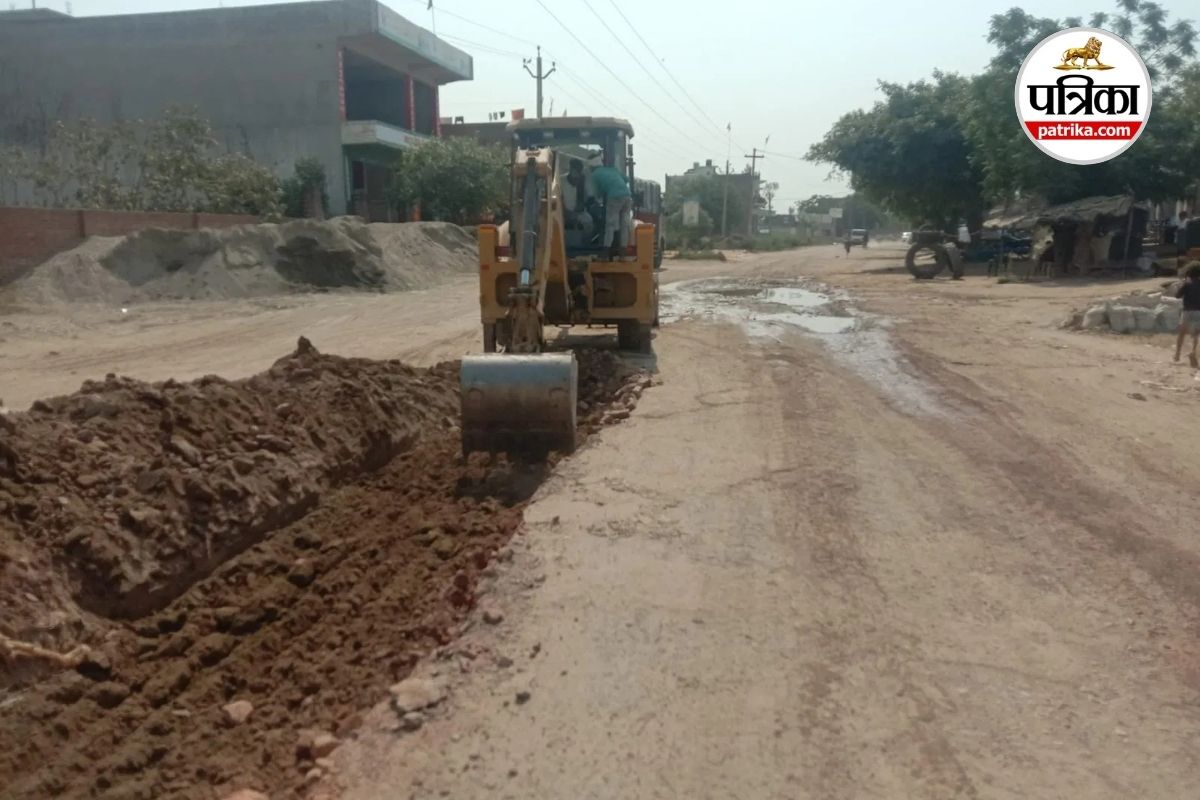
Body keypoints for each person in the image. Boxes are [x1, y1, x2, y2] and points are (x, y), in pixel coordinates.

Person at [588, 151, 632, 255]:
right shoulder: (613, 170)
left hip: (614, 197)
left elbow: (597, 192)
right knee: (624, 223)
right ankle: (623, 249)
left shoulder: (595, 174)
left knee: (610, 224)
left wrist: (600, 195)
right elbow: (626, 179)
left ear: (591, 166)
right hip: (627, 196)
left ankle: (606, 249)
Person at [1175, 263, 1200, 368]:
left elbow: (1177, 296)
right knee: (1195, 335)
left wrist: (1183, 284)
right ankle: (1193, 352)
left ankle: (1177, 354)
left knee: (1182, 333)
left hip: (1187, 311)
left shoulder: (1187, 283)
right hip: (1198, 311)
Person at [561, 158, 592, 235]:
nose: (576, 181)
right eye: (574, 179)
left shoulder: (583, 181)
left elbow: (585, 199)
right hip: (561, 212)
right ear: (570, 169)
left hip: (579, 213)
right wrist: (566, 212)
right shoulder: (560, 181)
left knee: (588, 220)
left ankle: (584, 243)